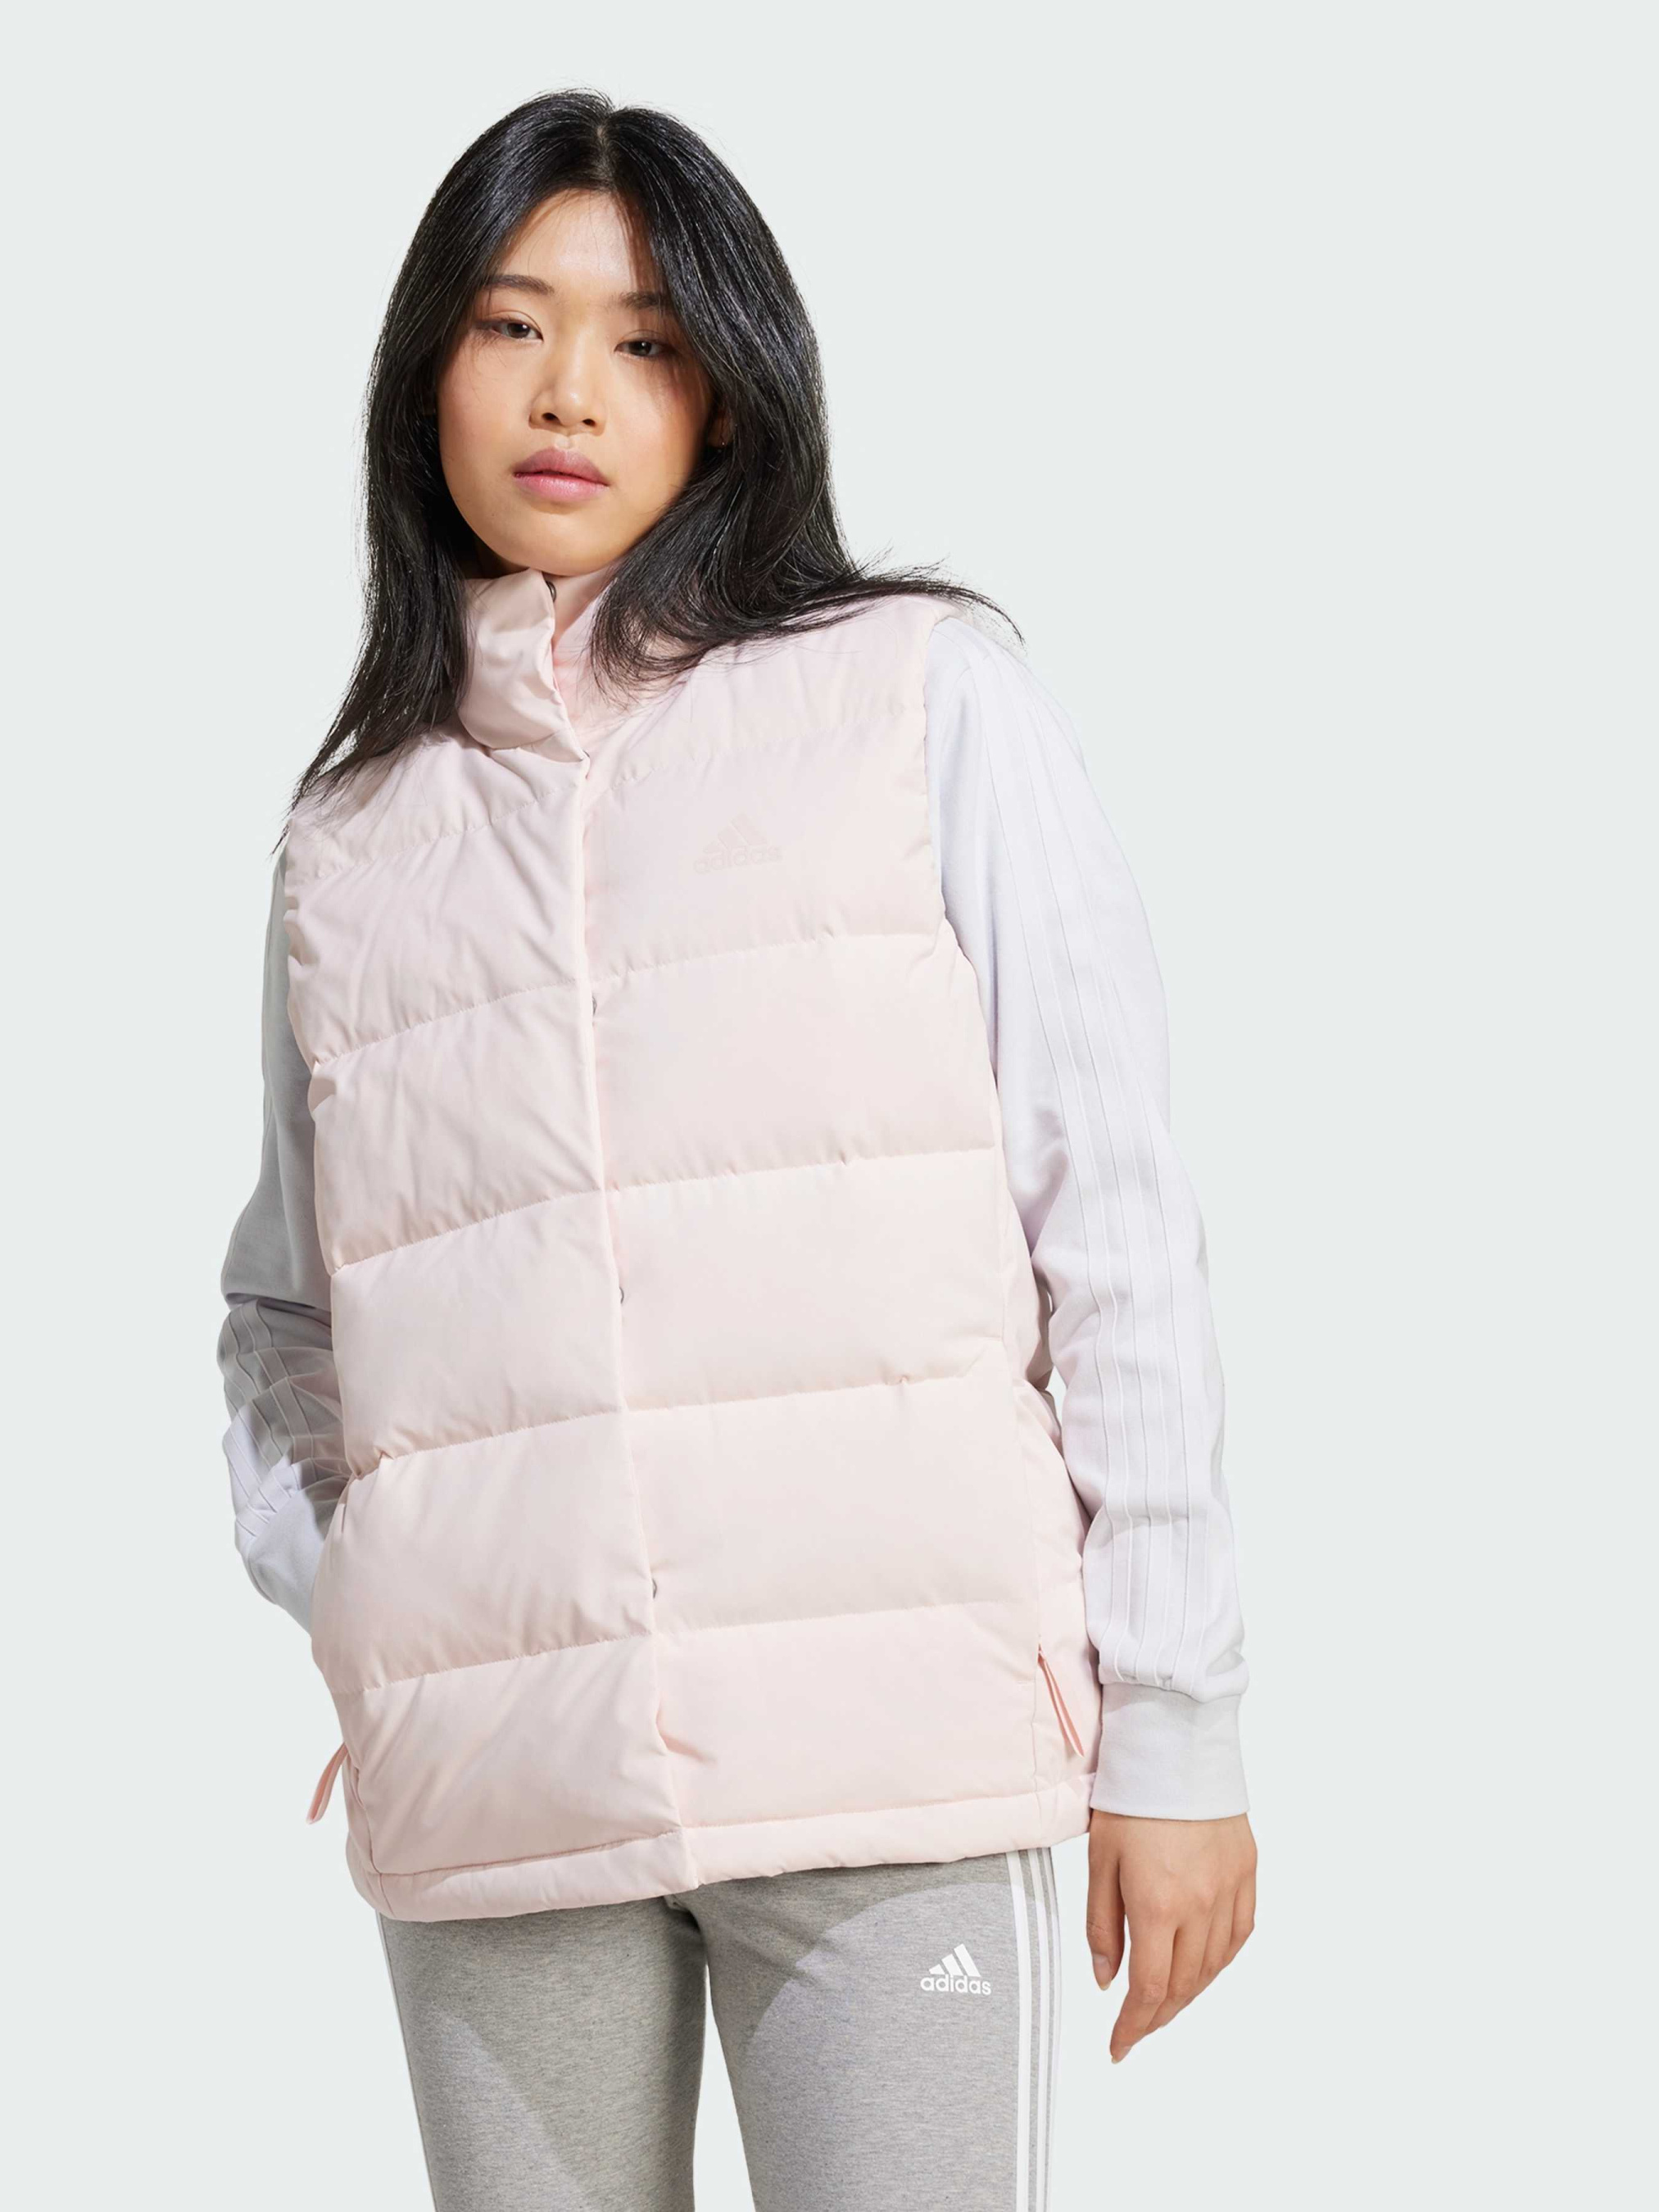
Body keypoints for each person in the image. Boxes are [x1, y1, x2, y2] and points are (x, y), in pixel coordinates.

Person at [217, 86, 1256, 2212]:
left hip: (895, 1756)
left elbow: (1111, 1216)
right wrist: (392, 1618)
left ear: (733, 389)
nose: (570, 392)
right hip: (502, 1797)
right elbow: (286, 1317)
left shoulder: (917, 697)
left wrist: (1175, 1723)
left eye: (646, 339)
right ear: (428, 369)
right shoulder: (351, 836)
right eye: (511, 325)